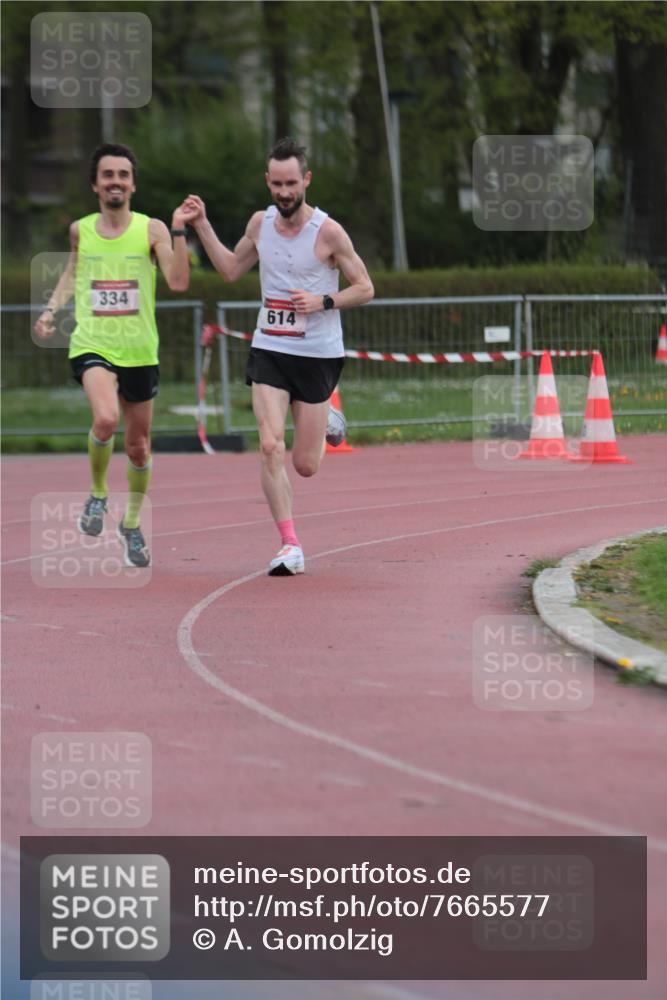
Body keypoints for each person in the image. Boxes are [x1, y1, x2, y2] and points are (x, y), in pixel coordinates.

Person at [181, 137, 374, 576]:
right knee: (270, 446)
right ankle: (290, 544)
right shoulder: (260, 224)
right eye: (277, 184)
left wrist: (323, 301)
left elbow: (365, 287)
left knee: (305, 466)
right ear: (267, 182)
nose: (284, 192)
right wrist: (203, 225)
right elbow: (231, 270)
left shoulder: (328, 232)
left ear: (306, 180)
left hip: (318, 354)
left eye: (292, 183)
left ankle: (325, 418)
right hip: (270, 345)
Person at [34, 142, 194, 567]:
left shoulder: (152, 230)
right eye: (108, 175)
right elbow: (73, 272)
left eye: (123, 175)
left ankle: (132, 523)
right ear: (95, 185)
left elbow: (178, 282)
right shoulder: (80, 230)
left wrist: (178, 229)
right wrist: (51, 310)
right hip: (93, 342)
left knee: (139, 446)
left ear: (133, 184)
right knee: (105, 418)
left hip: (140, 349)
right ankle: (98, 495)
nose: (116, 182)